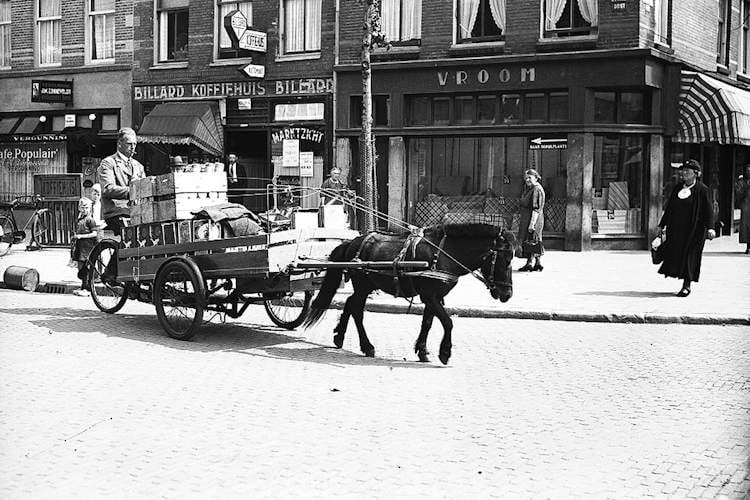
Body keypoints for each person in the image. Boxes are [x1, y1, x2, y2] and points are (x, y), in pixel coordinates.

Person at [657, 159, 716, 297]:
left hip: (695, 231)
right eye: (683, 171)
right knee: (678, 253)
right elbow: (670, 208)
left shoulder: (702, 190)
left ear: (695, 174)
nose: (683, 173)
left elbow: (709, 211)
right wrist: (661, 225)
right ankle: (680, 277)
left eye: (687, 171)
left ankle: (687, 285)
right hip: (677, 229)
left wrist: (711, 228)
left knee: (691, 256)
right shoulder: (678, 188)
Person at [97, 127, 145, 236]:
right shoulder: (108, 163)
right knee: (129, 238)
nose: (133, 147)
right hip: (116, 212)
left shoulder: (138, 166)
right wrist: (132, 192)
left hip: (136, 211)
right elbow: (108, 189)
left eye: (135, 144)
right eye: (129, 144)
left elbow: (144, 188)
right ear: (119, 144)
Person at [517, 169, 546, 272]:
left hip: (533, 218)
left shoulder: (536, 189)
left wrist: (532, 223)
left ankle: (530, 263)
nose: (527, 180)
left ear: (536, 178)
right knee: (533, 240)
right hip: (528, 218)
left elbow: (536, 208)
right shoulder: (530, 189)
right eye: (526, 178)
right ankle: (537, 263)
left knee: (532, 239)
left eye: (530, 177)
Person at [71, 197, 99, 297]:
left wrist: (81, 236)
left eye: (87, 208)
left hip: (88, 246)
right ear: (79, 208)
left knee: (86, 267)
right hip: (80, 246)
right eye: (82, 207)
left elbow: (95, 233)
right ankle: (83, 286)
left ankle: (87, 288)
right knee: (80, 267)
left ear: (90, 208)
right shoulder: (79, 219)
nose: (84, 210)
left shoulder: (90, 220)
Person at [735, 164, 750, 254]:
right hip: (746, 206)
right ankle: (748, 246)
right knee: (746, 227)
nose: (749, 173)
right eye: (747, 171)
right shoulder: (742, 181)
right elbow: (738, 193)